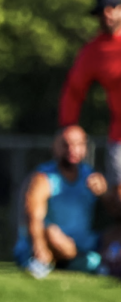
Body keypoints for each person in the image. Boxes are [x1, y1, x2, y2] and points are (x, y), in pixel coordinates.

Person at [14, 125, 107, 279]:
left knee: (114, 235)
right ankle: (63, 263)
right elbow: (33, 217)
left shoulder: (91, 176)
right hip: (51, 243)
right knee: (52, 233)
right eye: (66, 144)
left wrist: (106, 193)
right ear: (54, 147)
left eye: (78, 144)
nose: (72, 149)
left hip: (82, 244)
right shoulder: (43, 178)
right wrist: (39, 248)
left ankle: (82, 262)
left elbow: (114, 209)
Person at [59, 0, 121, 207]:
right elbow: (74, 91)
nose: (107, 15)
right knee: (117, 198)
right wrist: (69, 125)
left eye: (112, 8)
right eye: (101, 11)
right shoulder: (95, 51)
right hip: (119, 135)